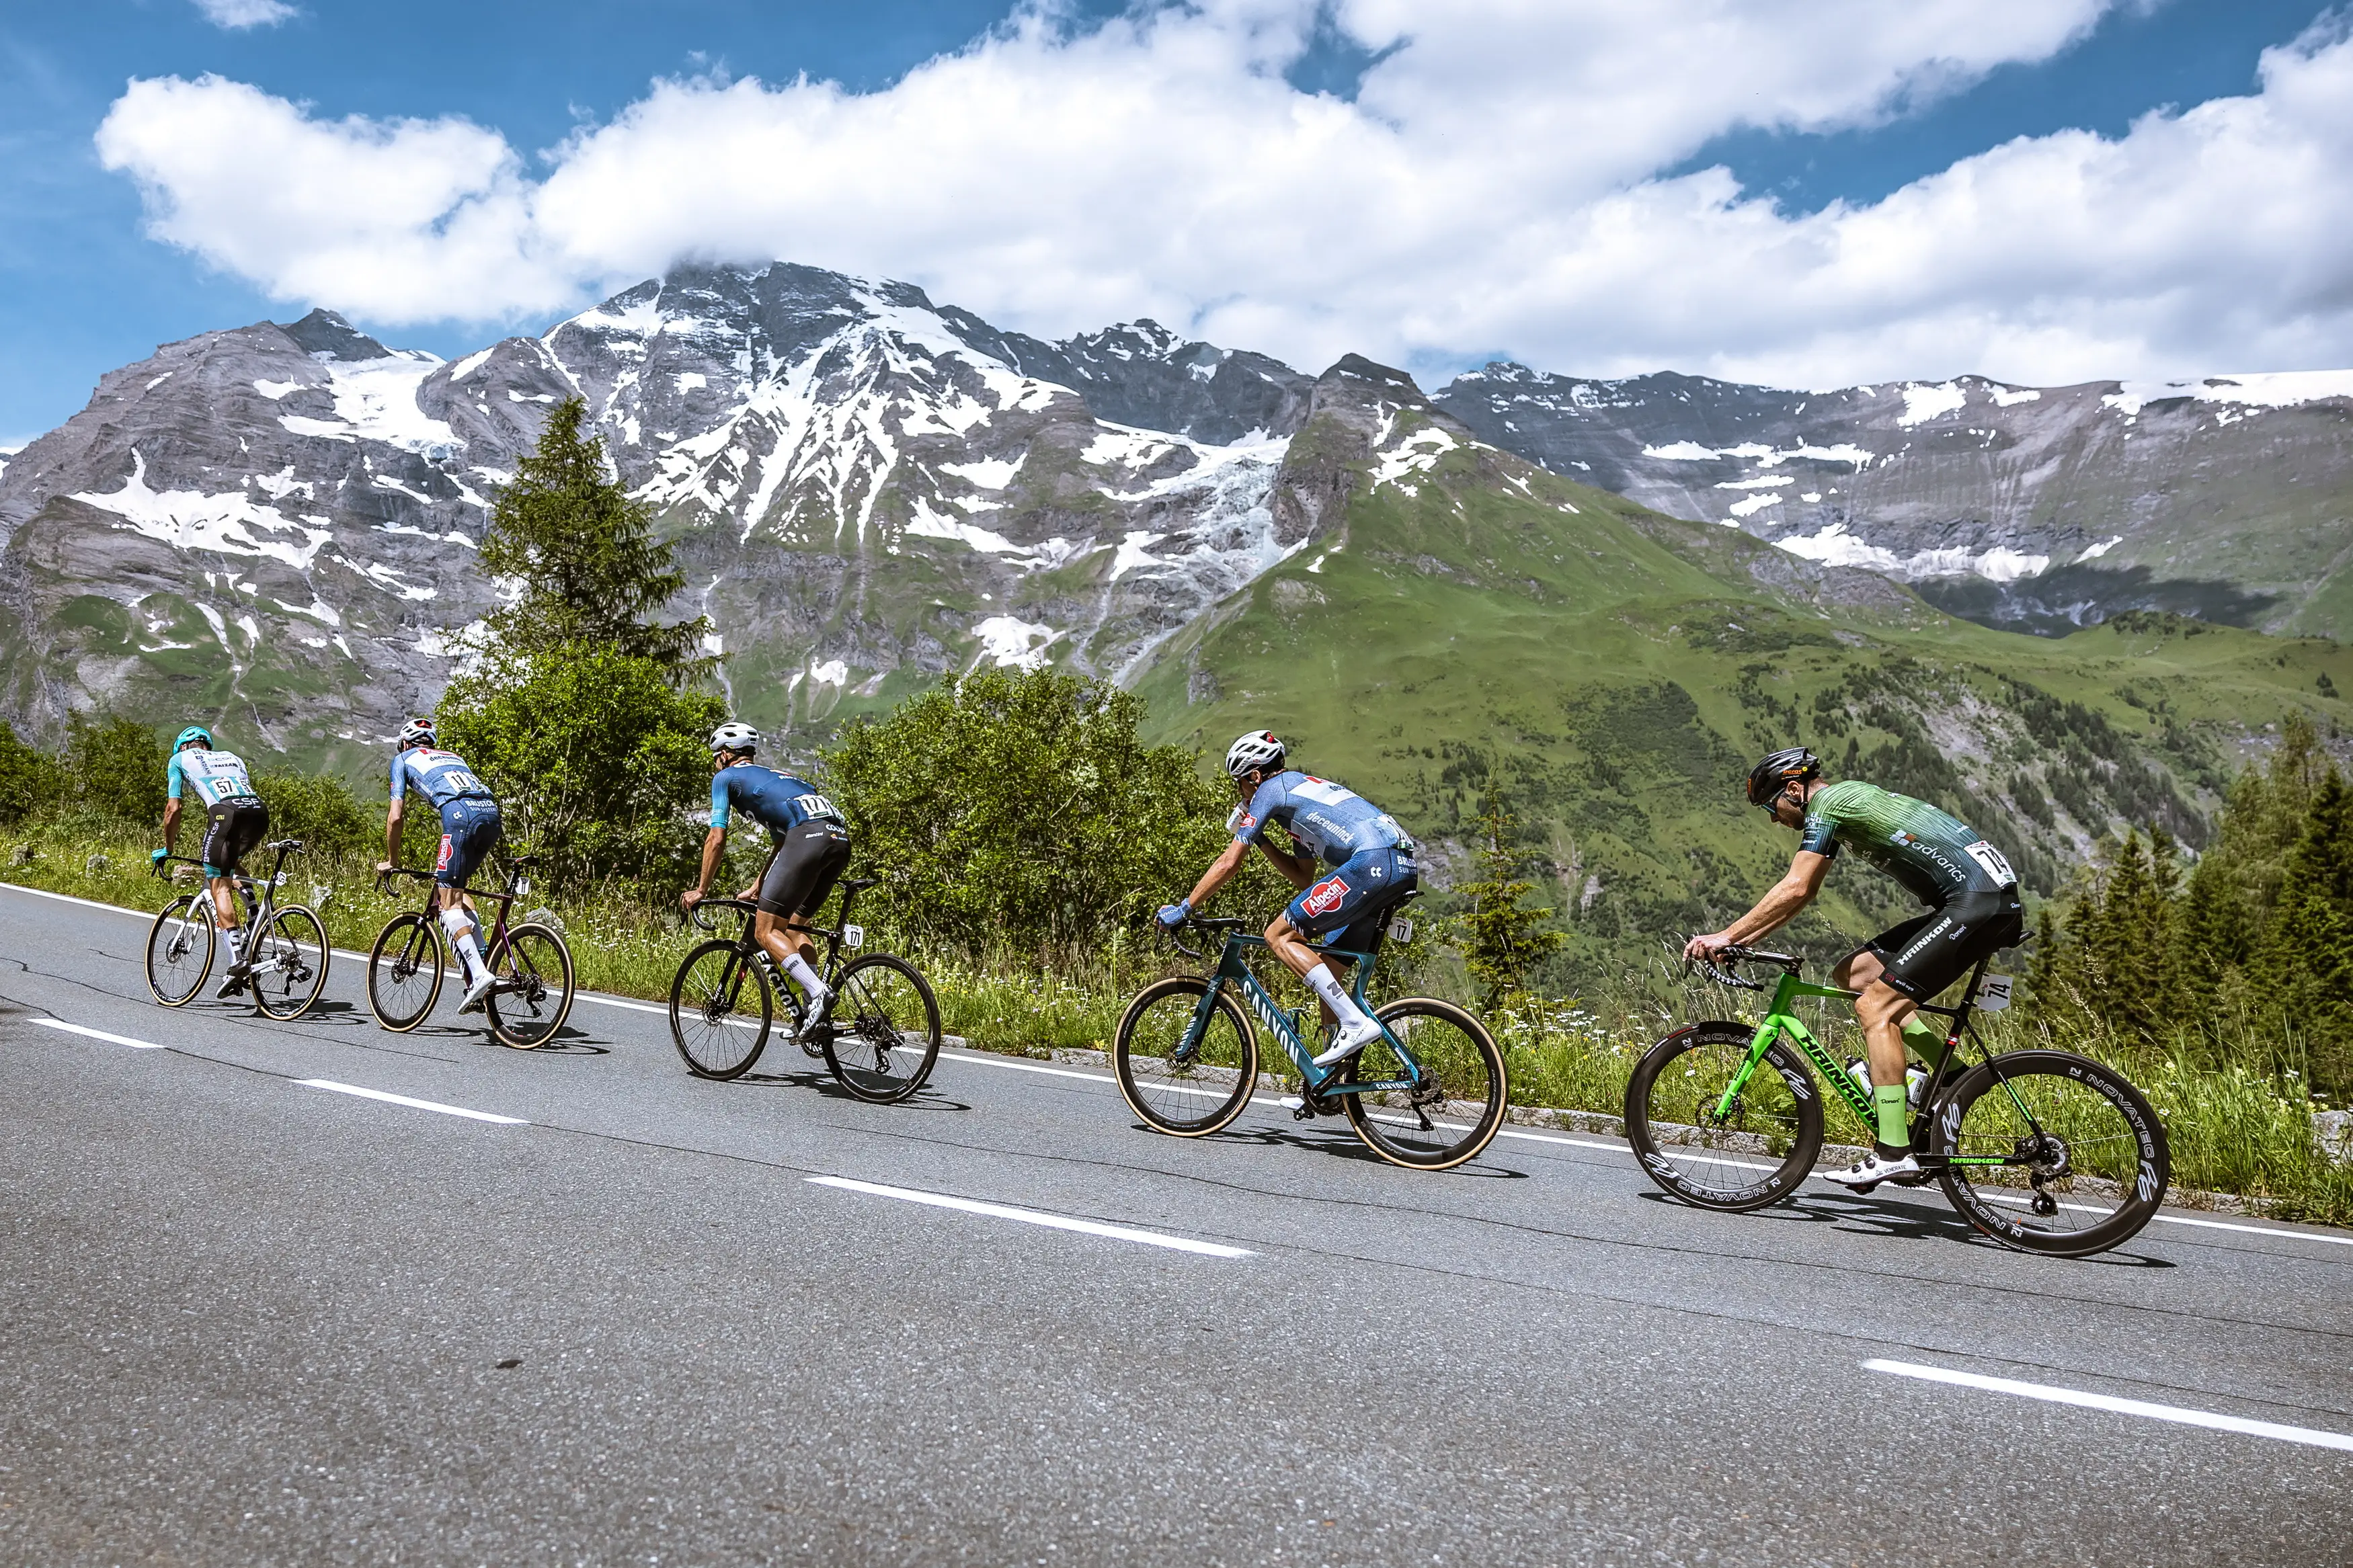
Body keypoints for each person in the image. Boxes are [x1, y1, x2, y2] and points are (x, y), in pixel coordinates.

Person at [1685, 747, 2024, 1190]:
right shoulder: (1844, 800)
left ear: (1794, 789)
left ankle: (1893, 1152)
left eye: (1771, 807)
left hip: (1976, 905)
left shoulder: (1828, 805)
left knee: (1875, 1009)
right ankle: (1954, 1076)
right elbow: (1805, 893)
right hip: (1980, 902)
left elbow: (1797, 886)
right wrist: (1743, 939)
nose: (1774, 820)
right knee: (1856, 975)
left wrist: (1726, 935)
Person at [1159, 731, 1420, 1068]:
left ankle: (1355, 1024)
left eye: (1240, 784)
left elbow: (1228, 863)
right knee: (1329, 974)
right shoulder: (1298, 796)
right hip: (1398, 865)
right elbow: (1302, 877)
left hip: (1373, 863)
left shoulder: (1270, 790)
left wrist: (1184, 908)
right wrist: (1261, 837)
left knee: (1278, 935)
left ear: (1255, 776)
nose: (1240, 793)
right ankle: (1332, 1081)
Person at [682, 722, 851, 1028]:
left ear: (725, 754)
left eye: (715, 757)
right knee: (797, 926)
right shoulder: (785, 779)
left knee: (766, 931)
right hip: (839, 840)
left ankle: (818, 993)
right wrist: (757, 887)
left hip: (807, 839)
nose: (715, 763)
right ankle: (814, 1015)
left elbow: (716, 839)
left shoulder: (725, 777)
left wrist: (701, 890)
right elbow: (782, 845)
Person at [376, 718, 504, 1014]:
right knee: (458, 893)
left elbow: (396, 817)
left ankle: (479, 975)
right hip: (491, 816)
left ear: (405, 744)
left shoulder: (403, 758)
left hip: (459, 818)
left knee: (448, 905)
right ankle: (482, 964)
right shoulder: (453, 757)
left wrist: (392, 861)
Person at [151, 725, 270, 999]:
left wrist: (168, 848)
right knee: (231, 864)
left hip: (225, 814)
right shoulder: (232, 757)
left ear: (183, 746)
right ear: (206, 745)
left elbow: (173, 809)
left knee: (219, 885)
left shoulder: (178, 759)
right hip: (259, 814)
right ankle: (253, 913)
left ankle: (238, 960)